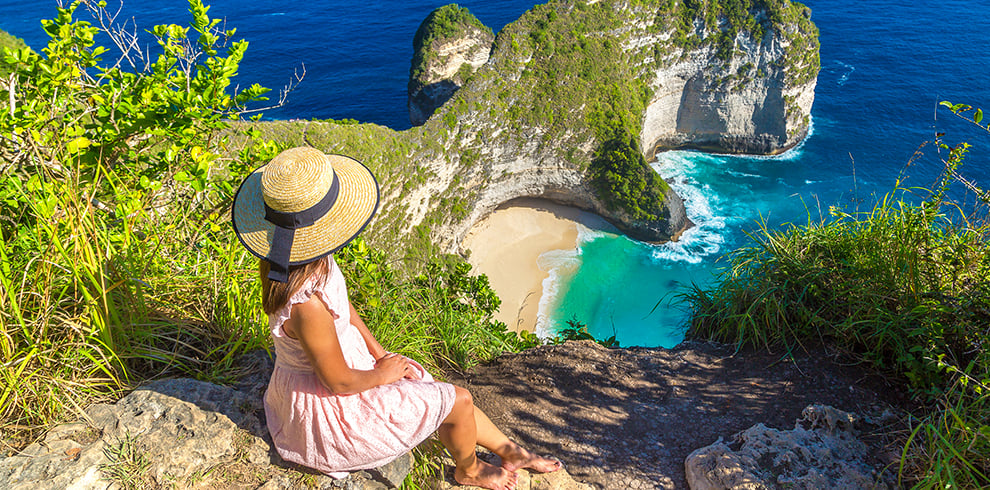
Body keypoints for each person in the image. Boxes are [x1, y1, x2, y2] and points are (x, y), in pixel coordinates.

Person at [231, 147, 560, 490]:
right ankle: (470, 469)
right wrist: (382, 374)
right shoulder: (306, 305)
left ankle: (512, 451)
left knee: (432, 387)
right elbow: (338, 383)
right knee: (457, 399)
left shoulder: (297, 260)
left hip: (346, 369)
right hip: (331, 411)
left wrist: (378, 352)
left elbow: (342, 308)